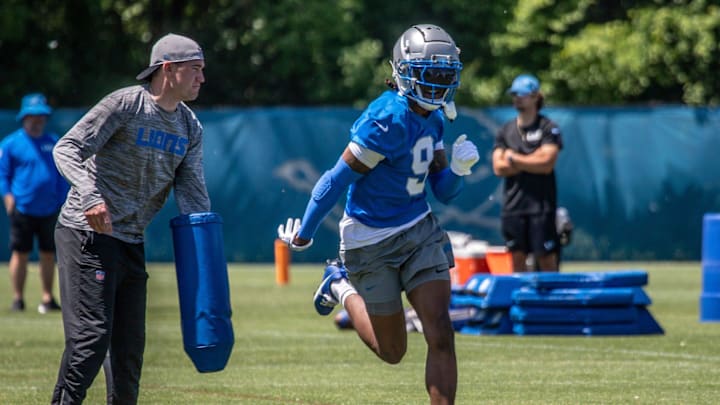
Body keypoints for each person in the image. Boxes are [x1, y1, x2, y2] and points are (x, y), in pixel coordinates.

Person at [278, 24, 479, 405]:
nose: (438, 84)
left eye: (444, 75)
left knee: (440, 330)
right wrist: (305, 232)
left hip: (419, 229)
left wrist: (459, 171)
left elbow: (443, 191)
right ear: (404, 71)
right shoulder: (385, 120)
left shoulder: (435, 118)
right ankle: (338, 284)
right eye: (430, 73)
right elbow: (336, 180)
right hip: (370, 240)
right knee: (393, 351)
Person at [50, 33, 209, 404]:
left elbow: (193, 197)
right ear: (168, 70)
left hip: (131, 241)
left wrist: (207, 258)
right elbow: (67, 148)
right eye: (196, 70)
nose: (202, 78)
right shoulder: (125, 105)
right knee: (90, 339)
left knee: (129, 350)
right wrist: (90, 195)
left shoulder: (189, 127)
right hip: (85, 234)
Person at [0, 93, 68, 313]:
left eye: (41, 116)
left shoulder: (54, 143)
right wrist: (8, 196)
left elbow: (63, 175)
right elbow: (3, 174)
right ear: (23, 117)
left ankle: (48, 298)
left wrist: (62, 200)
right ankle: (18, 299)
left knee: (49, 253)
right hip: (22, 208)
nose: (37, 121)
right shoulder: (10, 144)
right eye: (32, 116)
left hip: (50, 209)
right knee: (21, 253)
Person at [492, 74, 563, 272]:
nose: (517, 98)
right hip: (514, 206)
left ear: (535, 96)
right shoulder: (506, 130)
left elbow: (547, 163)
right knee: (517, 258)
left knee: (547, 258)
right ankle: (521, 302)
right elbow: (498, 167)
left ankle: (553, 303)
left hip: (541, 206)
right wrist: (533, 157)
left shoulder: (548, 127)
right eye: (514, 94)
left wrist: (513, 158)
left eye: (521, 94)